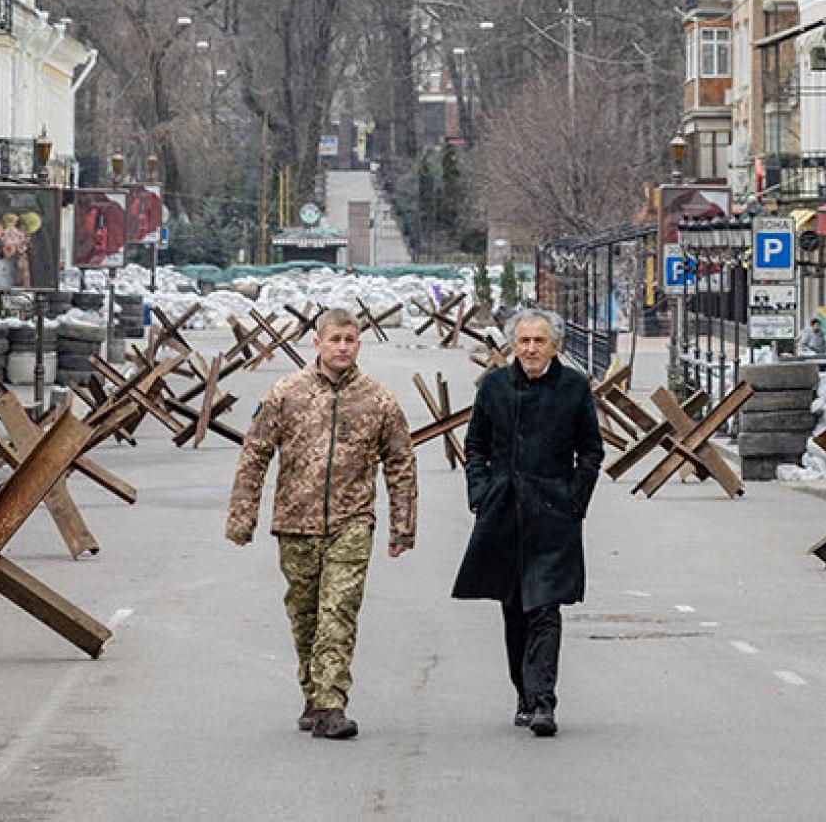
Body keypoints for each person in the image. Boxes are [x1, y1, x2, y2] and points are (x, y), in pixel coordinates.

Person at [225, 307, 418, 740]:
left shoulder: (378, 399)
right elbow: (254, 454)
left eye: (350, 339)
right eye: (335, 339)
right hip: (296, 522)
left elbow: (401, 463)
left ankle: (331, 704)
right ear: (317, 343)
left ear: (359, 344)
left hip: (352, 522)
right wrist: (242, 519)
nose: (343, 347)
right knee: (305, 615)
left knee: (339, 612)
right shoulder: (285, 393)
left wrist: (402, 527)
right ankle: (313, 694)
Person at [452, 307, 604, 737]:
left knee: (545, 605)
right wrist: (481, 492)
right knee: (514, 606)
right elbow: (475, 444)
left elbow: (591, 451)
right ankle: (522, 691)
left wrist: (574, 499)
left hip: (554, 512)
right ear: (512, 345)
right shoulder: (495, 386)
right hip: (503, 510)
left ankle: (543, 702)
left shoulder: (573, 388)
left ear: (555, 346)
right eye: (524, 341)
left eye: (540, 341)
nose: (531, 349)